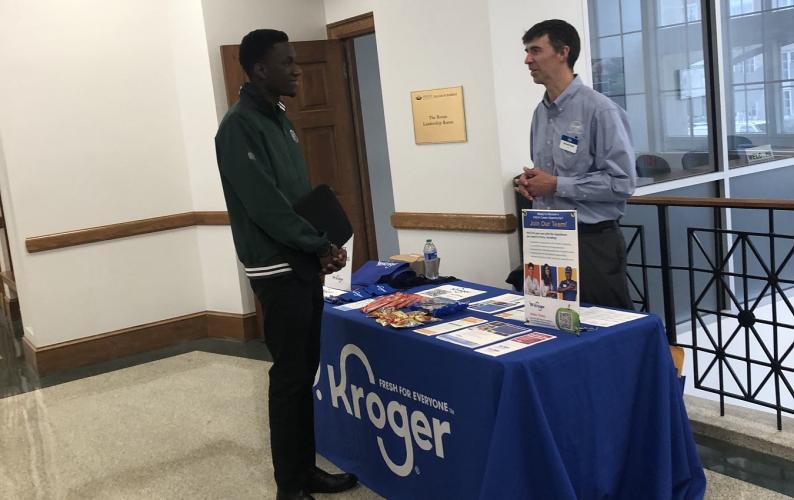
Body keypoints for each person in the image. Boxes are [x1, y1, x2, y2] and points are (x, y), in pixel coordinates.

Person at [214, 29, 358, 500]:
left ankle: (305, 470)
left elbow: (297, 198)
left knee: (305, 374)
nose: (298, 69)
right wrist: (318, 245)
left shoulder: (279, 118)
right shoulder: (238, 126)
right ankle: (290, 487)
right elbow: (267, 207)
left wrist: (324, 242)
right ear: (259, 70)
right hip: (277, 269)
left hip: (301, 262)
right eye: (287, 62)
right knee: (290, 377)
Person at [514, 19, 636, 309]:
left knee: (605, 329)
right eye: (527, 51)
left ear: (562, 52)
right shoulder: (539, 114)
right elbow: (547, 175)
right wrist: (531, 183)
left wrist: (555, 184)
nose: (527, 60)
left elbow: (623, 183)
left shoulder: (600, 110)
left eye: (535, 50)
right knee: (551, 325)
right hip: (548, 239)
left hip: (591, 243)